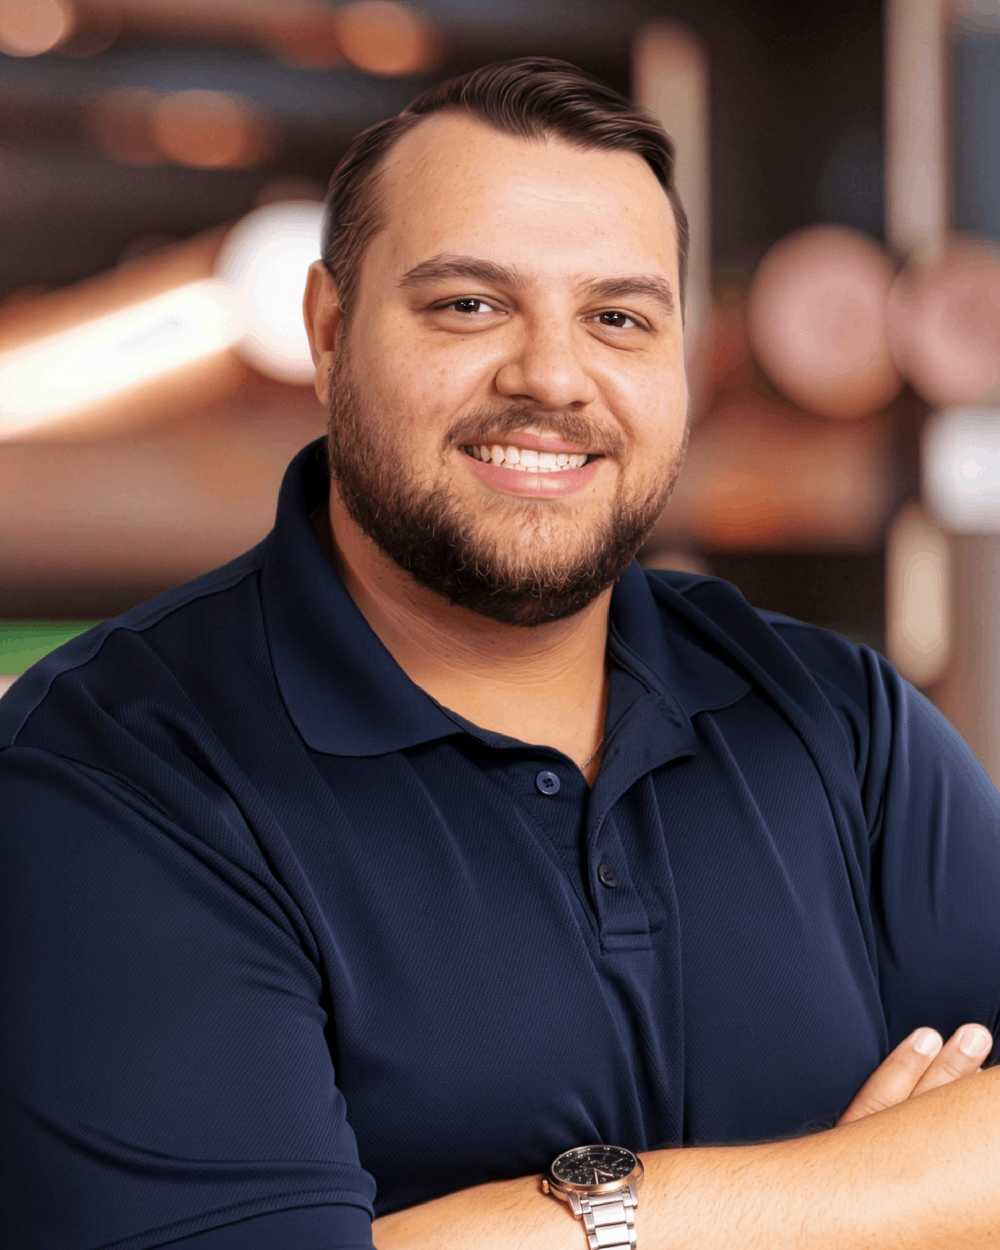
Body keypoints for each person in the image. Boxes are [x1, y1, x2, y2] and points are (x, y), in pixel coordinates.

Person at [1, 57, 999, 1250]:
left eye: (619, 317)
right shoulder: (110, 776)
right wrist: (883, 1192)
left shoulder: (839, 725)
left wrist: (582, 1223)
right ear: (327, 332)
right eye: (469, 304)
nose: (553, 375)